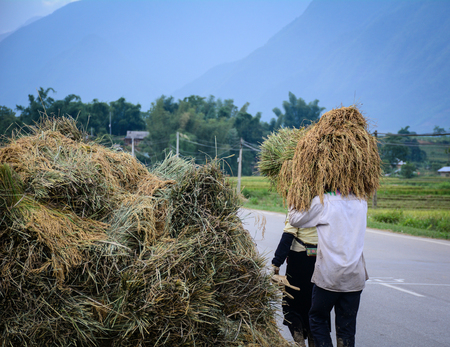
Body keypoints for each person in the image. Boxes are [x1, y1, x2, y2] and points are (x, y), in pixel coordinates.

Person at [289, 191, 368, 347]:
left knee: (317, 318)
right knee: (347, 328)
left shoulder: (322, 202)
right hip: (355, 275)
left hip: (330, 275)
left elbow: (295, 220)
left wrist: (296, 195)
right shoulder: (361, 201)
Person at [271, 218, 321, 347]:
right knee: (314, 304)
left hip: (299, 262)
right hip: (320, 261)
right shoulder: (325, 206)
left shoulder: (298, 208)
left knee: (290, 305)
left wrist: (276, 263)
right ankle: (313, 338)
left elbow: (288, 236)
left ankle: (298, 339)